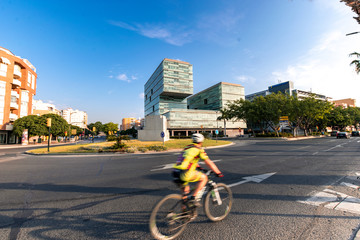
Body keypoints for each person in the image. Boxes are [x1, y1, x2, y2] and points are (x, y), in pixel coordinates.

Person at [173, 133, 223, 206]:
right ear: (201, 142)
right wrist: (218, 172)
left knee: (185, 195)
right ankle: (193, 198)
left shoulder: (187, 147)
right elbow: (208, 162)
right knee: (204, 178)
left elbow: (188, 159)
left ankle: (184, 214)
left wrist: (199, 167)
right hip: (186, 173)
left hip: (176, 172)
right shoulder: (199, 149)